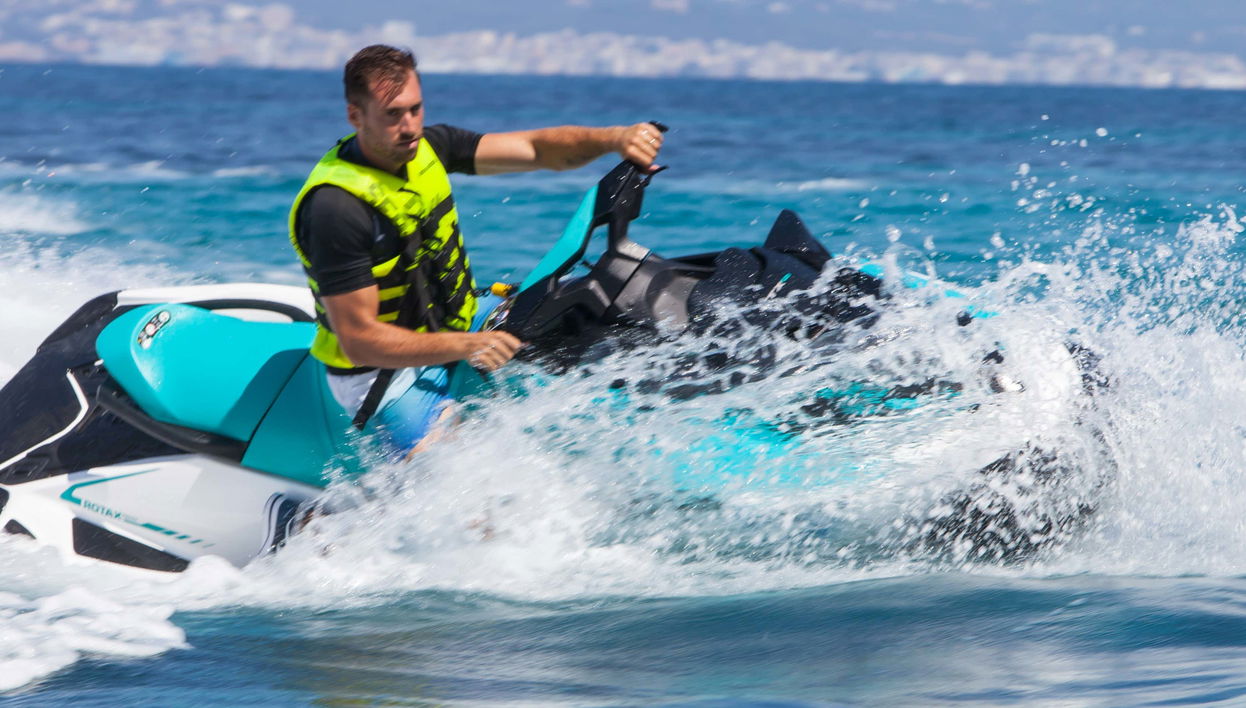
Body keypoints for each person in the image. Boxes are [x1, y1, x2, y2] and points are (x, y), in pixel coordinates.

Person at [289, 44, 664, 452]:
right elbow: (358, 341)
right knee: (465, 482)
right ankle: (319, 514)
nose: (410, 126)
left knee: (595, 303)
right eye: (393, 115)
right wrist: (468, 345)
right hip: (383, 373)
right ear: (355, 116)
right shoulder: (336, 207)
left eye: (416, 109)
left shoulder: (427, 147)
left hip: (460, 324)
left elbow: (537, 149)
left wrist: (615, 138)